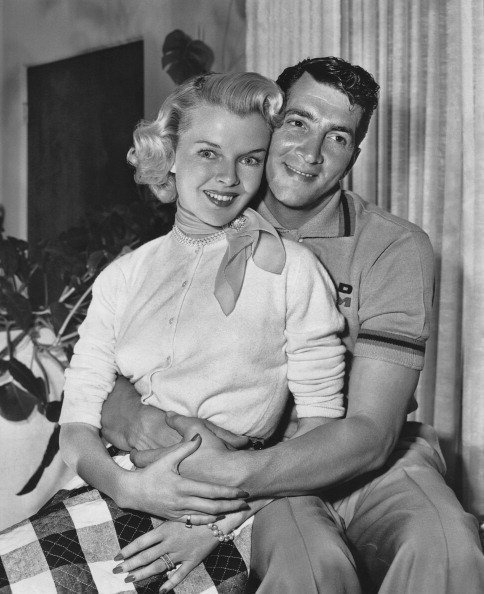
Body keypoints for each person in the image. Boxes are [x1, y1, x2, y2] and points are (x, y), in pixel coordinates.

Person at [102, 57, 484, 593]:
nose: (310, 154)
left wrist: (225, 502)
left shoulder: (396, 246)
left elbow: (371, 434)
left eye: (338, 138)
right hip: (257, 451)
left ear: (354, 154)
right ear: (269, 122)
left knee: (445, 545)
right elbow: (115, 364)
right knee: (309, 567)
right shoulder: (208, 212)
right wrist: (134, 416)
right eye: (298, 123)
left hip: (367, 456)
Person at [57, 71, 349, 592]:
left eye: (249, 159)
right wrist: (128, 487)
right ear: (169, 155)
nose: (228, 178)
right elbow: (76, 425)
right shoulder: (123, 276)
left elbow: (323, 432)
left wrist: (218, 523)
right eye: (208, 153)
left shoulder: (294, 269)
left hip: (233, 509)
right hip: (124, 484)